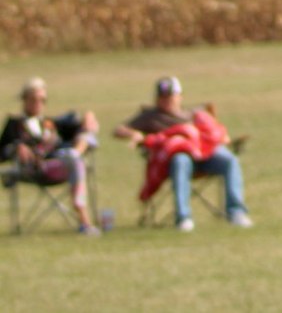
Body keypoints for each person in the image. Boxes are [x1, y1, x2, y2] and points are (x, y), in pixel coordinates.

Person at [112, 75, 251, 231]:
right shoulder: (150, 117)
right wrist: (134, 134)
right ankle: (183, 217)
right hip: (175, 159)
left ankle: (236, 212)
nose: (167, 101)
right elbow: (118, 130)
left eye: (171, 97)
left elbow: (212, 131)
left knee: (229, 160)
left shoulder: (194, 114)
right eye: (163, 97)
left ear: (180, 97)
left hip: (203, 155)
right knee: (180, 160)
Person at [3, 78, 100, 234]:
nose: (38, 103)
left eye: (42, 100)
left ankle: (83, 217)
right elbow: (2, 153)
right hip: (34, 169)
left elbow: (80, 127)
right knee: (74, 159)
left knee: (84, 142)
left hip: (61, 165)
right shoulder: (14, 123)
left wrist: (89, 117)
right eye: (33, 99)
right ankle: (84, 221)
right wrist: (16, 147)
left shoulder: (50, 123)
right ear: (24, 100)